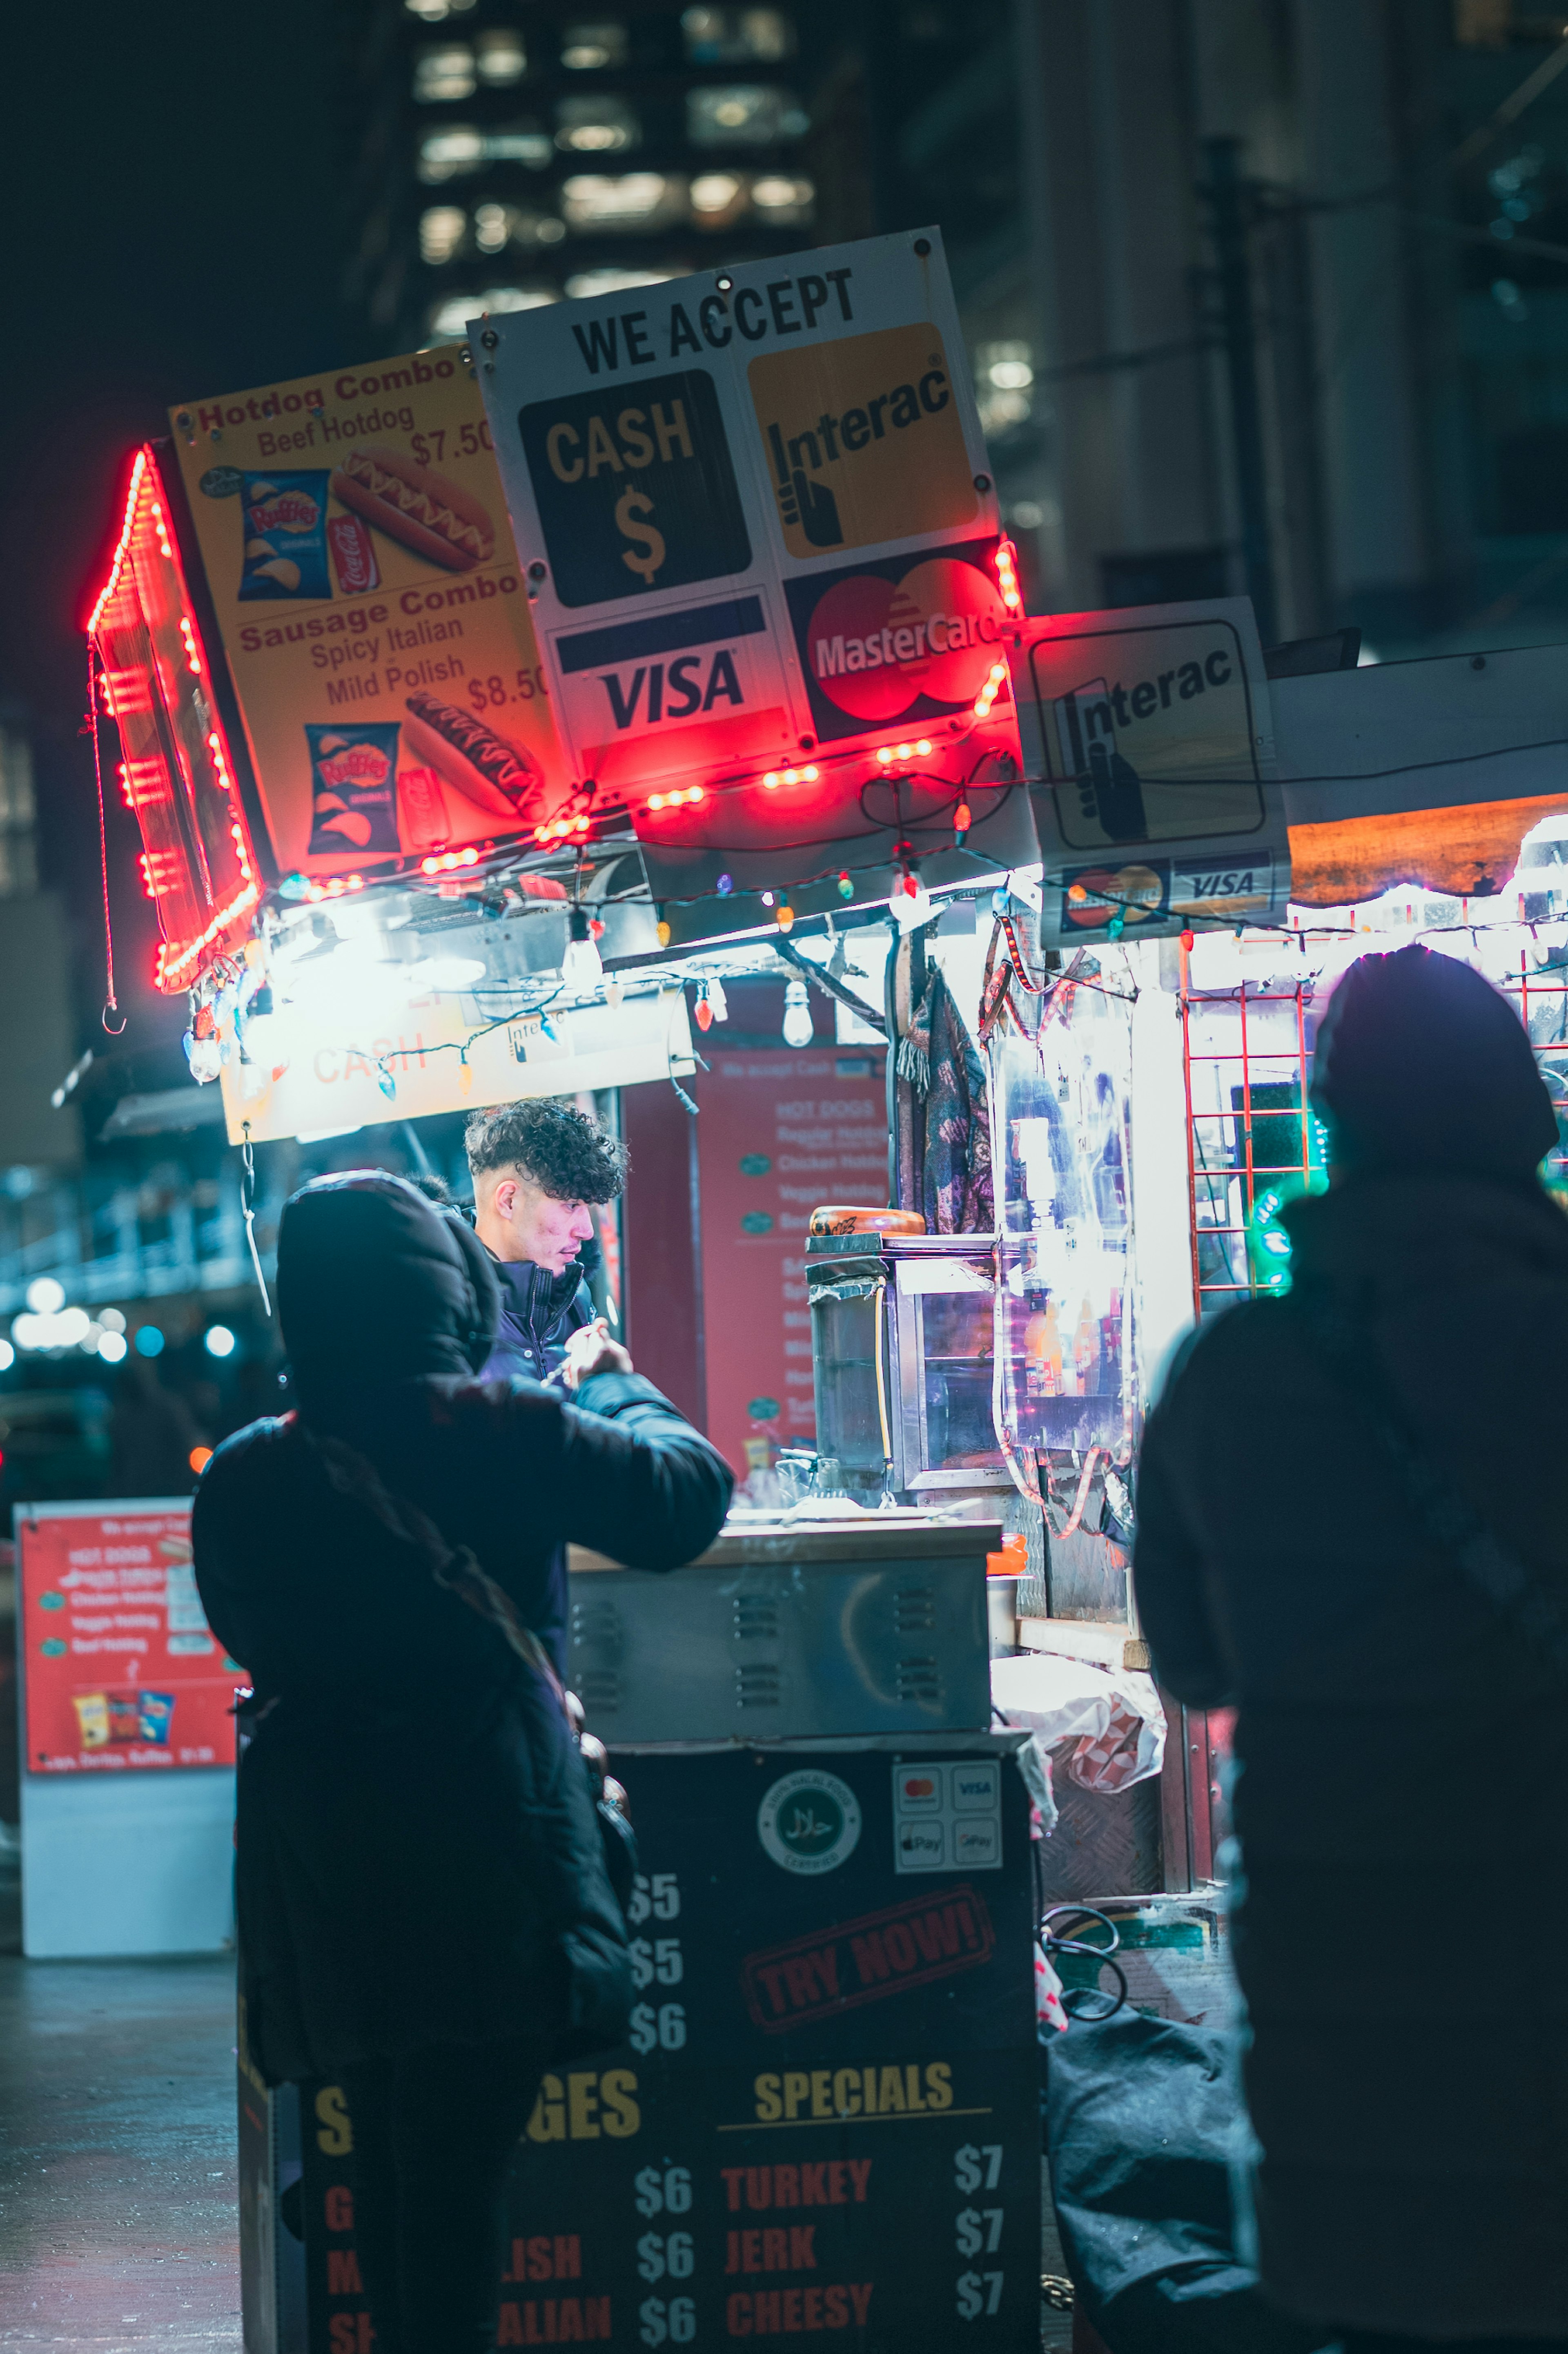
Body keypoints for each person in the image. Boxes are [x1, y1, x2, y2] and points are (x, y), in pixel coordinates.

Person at [192, 1172, 732, 2354]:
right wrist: (614, 1382)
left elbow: (247, 1627)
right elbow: (688, 1501)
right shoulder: (501, 1429)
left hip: (326, 1859)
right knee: (455, 2170)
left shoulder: (244, 1474)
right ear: (450, 1284)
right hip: (490, 1845)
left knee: (386, 2150)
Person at [1133, 944, 1568, 2353]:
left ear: (1331, 1121)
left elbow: (1194, 1667)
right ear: (1530, 1121)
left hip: (1342, 2013)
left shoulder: (1225, 1372)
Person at [465, 1098, 628, 1385]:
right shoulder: (433, 1311)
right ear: (509, 1201)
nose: (587, 1231)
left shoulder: (575, 1299)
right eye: (571, 1205)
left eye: (587, 1208)